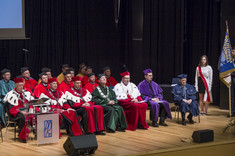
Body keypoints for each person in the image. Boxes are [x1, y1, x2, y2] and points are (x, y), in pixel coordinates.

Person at [4, 78, 33, 142]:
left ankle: (36, 133)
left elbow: (31, 103)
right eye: (20, 85)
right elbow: (11, 109)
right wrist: (21, 112)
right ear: (16, 85)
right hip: (16, 113)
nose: (21, 87)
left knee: (35, 115)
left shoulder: (26, 93)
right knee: (22, 117)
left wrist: (30, 110)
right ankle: (23, 137)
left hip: (26, 111)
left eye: (22, 85)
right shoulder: (11, 94)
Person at [231, 46, 235, 116]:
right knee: (232, 95)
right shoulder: (230, 59)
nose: (232, 53)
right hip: (231, 77)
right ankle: (232, 111)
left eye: (233, 51)